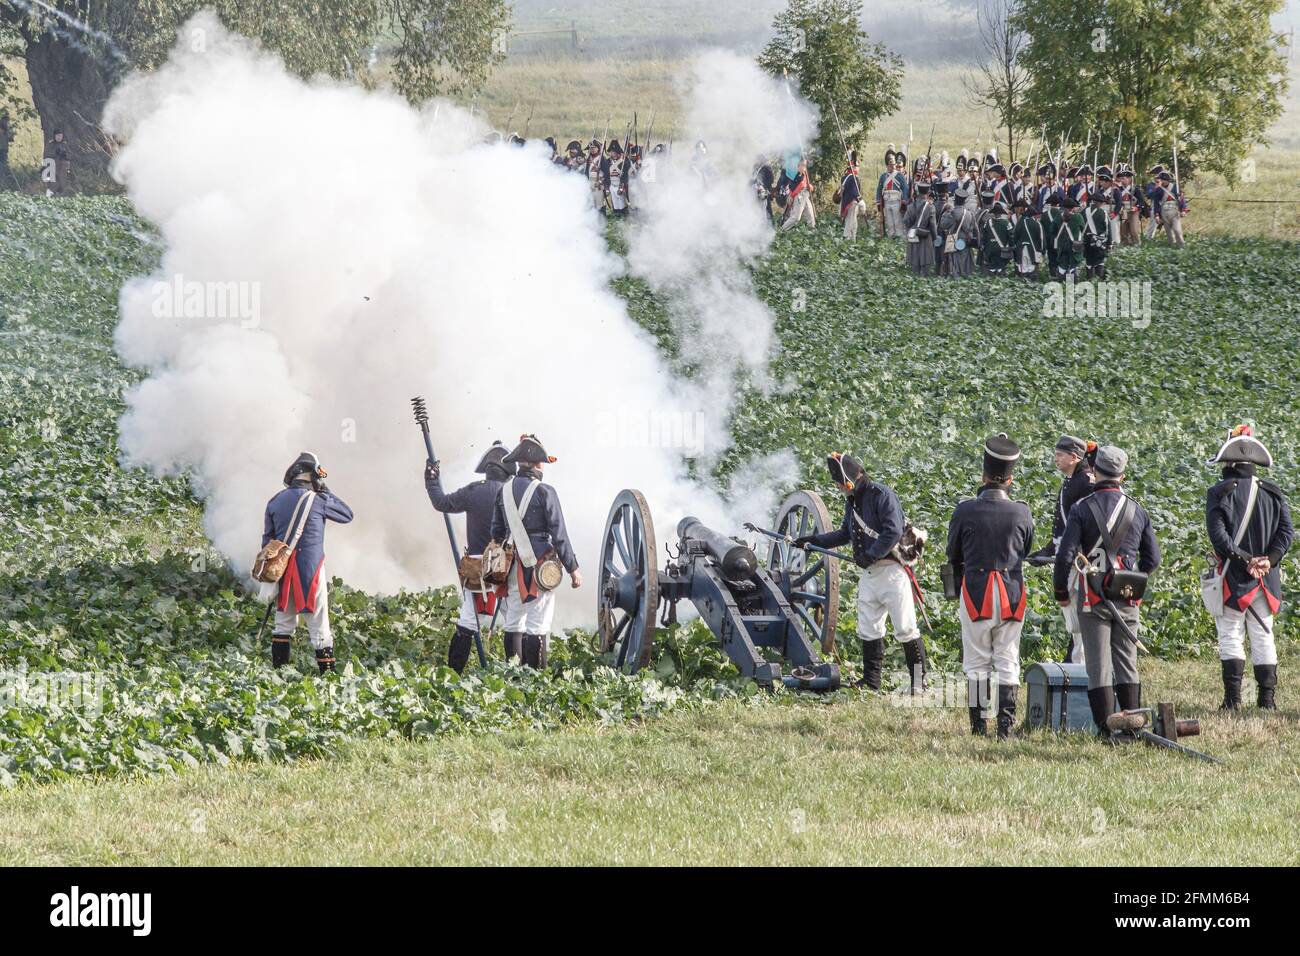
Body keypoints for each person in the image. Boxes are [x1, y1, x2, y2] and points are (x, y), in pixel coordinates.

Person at [796, 453, 926, 693]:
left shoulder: (881, 495)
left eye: (838, 482)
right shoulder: (853, 501)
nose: (837, 487)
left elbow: (892, 531)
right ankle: (872, 682)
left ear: (849, 479)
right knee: (868, 627)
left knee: (906, 628)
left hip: (891, 571)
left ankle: (919, 683)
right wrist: (812, 541)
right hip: (870, 573)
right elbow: (844, 534)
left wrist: (872, 554)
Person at [1053, 446, 1160, 737]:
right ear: (1122, 476)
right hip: (1126, 596)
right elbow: (1153, 559)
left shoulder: (1082, 508)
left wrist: (1061, 591)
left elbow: (1065, 555)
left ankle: (1105, 730)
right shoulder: (1138, 509)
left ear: (1095, 472)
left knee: (1098, 665)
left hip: (1092, 596)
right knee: (1127, 661)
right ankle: (1132, 728)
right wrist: (1133, 579)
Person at [946, 434, 1035, 739]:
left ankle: (978, 726)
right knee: (1008, 659)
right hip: (1011, 592)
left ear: (983, 476)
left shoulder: (965, 510)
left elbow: (952, 554)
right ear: (1010, 480)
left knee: (976, 660)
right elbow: (1025, 549)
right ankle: (1005, 729)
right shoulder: (1022, 512)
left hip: (975, 592)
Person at [1203, 426, 1293, 710]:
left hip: (1235, 574)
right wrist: (1269, 560)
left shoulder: (1219, 492)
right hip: (1266, 576)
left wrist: (1244, 560)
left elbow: (1219, 537)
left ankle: (1232, 701)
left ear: (1228, 460)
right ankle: (1267, 701)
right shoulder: (1273, 492)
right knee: (1263, 634)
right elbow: (1286, 533)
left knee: (1230, 633)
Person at [489, 434, 581, 668]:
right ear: (535, 463)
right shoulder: (545, 491)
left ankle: (514, 673)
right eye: (541, 461)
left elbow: (497, 532)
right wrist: (573, 568)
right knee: (538, 622)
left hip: (511, 565)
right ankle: (536, 681)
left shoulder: (504, 491)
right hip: (540, 565)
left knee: (513, 621)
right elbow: (559, 534)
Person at [425, 441, 515, 673]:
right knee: (514, 621)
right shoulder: (511, 494)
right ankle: (520, 675)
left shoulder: (473, 490)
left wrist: (432, 479)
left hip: (475, 565)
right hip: (502, 564)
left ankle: (452, 675)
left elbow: (441, 502)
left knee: (467, 622)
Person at [263, 452, 354, 673]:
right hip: (309, 570)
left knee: (283, 624)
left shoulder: (275, 501)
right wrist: (324, 490)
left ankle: (279, 674)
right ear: (311, 475)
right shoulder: (319, 499)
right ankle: (329, 678)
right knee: (320, 626)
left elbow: (267, 542)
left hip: (283, 570)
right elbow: (347, 514)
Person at [1030, 437, 1096, 663]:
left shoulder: (1085, 483)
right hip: (1070, 556)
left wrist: (1065, 554)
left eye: (1060, 454)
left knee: (1081, 622)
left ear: (1075, 457)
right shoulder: (1072, 481)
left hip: (1080, 562)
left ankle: (1081, 669)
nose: (1056, 459)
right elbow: (1063, 528)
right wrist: (1047, 550)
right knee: (1077, 622)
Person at [939, 189, 978, 278]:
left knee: (954, 266)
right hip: (966, 242)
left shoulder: (951, 213)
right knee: (966, 265)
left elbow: (942, 225)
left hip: (953, 242)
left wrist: (945, 213)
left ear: (955, 201)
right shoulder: (970, 214)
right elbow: (974, 229)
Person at [902, 181, 938, 275]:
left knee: (914, 262)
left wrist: (911, 229)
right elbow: (933, 225)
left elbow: (906, 221)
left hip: (913, 235)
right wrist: (934, 237)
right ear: (928, 193)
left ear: (918, 192)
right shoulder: (931, 207)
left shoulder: (910, 206)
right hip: (926, 237)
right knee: (926, 263)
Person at [877, 150, 909, 238]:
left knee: (897, 221)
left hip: (896, 201)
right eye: (891, 164)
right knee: (890, 222)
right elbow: (879, 189)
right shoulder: (883, 176)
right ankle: (891, 237)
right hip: (887, 201)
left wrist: (904, 200)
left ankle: (899, 238)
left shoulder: (899, 175)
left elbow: (905, 188)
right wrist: (878, 201)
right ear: (887, 165)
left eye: (894, 164)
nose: (893, 166)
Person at [1052, 195, 1085, 279]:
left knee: (1062, 263)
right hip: (1075, 244)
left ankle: (1061, 281)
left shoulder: (1058, 216)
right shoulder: (1078, 217)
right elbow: (1082, 229)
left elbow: (1052, 230)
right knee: (1073, 264)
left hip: (1062, 244)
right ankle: (1070, 285)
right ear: (1073, 207)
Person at [1082, 187, 1112, 279]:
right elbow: (1108, 229)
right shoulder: (1103, 213)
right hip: (1100, 241)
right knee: (1099, 261)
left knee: (1089, 261)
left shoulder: (1084, 211)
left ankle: (1089, 278)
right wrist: (1109, 243)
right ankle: (1099, 280)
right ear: (1099, 202)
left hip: (1087, 240)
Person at [779, 158, 816, 231]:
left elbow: (806, 185)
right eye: (803, 165)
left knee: (810, 216)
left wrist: (809, 186)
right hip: (799, 196)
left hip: (805, 195)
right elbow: (792, 187)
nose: (804, 167)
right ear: (798, 166)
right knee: (796, 217)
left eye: (805, 165)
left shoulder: (804, 175)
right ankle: (782, 230)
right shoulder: (795, 175)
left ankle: (812, 232)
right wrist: (791, 196)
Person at [1151, 171, 1186, 247]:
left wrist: (1183, 210)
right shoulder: (1158, 189)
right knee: (1168, 232)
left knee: (1177, 230)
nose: (1161, 181)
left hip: (1174, 211)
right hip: (1164, 212)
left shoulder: (1175, 188)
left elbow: (1182, 199)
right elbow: (1156, 203)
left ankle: (1181, 245)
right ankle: (1172, 246)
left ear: (1167, 180)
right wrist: (1156, 215)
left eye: (1162, 180)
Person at [1012, 197, 1043, 280]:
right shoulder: (1037, 224)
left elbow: (1015, 235)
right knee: (1032, 268)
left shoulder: (1021, 222)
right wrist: (1041, 250)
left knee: (1023, 268)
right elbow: (1041, 239)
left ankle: (1024, 283)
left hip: (1021, 248)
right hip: (1033, 249)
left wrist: (1015, 245)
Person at [980, 201, 1014, 276]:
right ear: (1001, 213)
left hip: (990, 249)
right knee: (1000, 268)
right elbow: (1011, 237)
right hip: (1001, 250)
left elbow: (983, 236)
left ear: (993, 213)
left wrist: (983, 245)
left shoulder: (987, 222)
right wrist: (1011, 246)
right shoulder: (1007, 223)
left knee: (991, 267)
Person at [837, 151, 864, 239]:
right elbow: (854, 192)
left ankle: (852, 240)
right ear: (854, 167)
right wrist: (861, 201)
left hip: (847, 202)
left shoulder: (845, 177)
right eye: (857, 167)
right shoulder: (853, 178)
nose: (858, 169)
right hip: (851, 203)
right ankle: (846, 239)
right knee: (850, 223)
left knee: (854, 224)